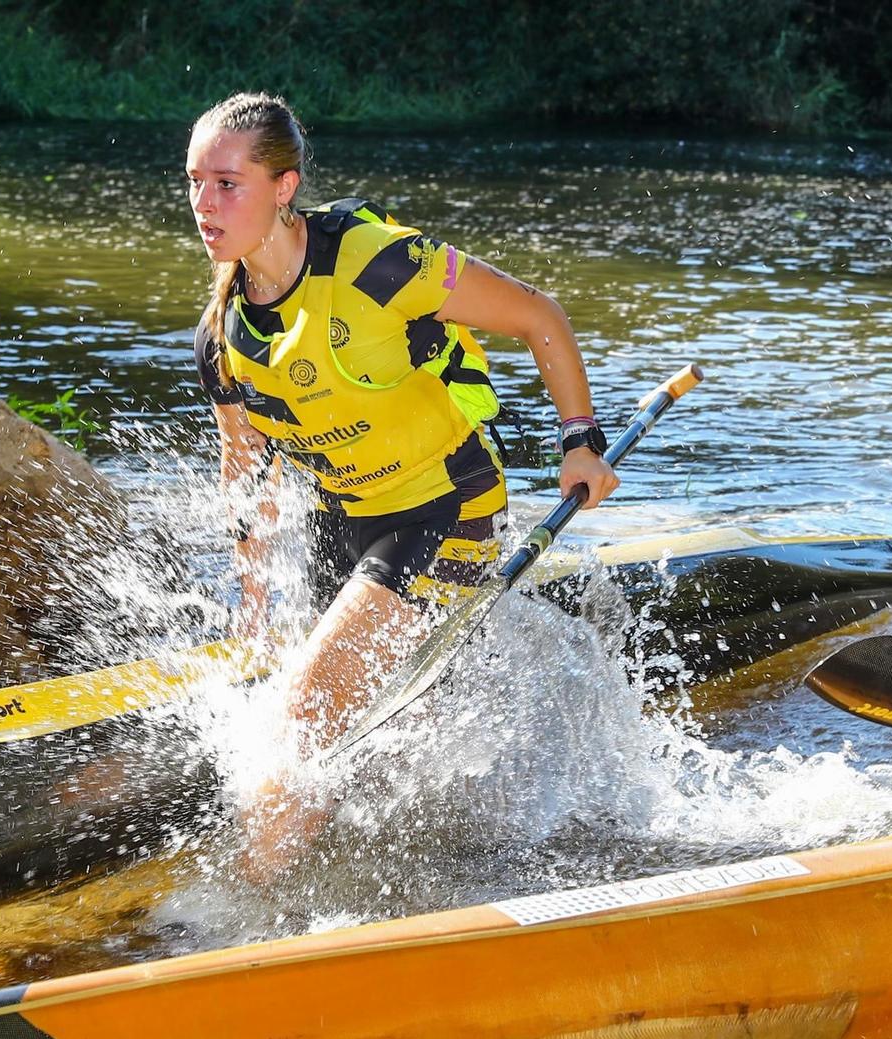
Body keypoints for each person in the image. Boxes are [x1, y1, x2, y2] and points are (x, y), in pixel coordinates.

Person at [185, 91, 619, 878]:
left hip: (444, 507)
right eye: (193, 183)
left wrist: (580, 443)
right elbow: (244, 479)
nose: (203, 205)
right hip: (344, 520)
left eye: (226, 184)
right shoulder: (223, 336)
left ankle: (251, 920)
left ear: (284, 188)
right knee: (322, 722)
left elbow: (538, 315)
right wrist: (249, 614)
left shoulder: (375, 260)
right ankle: (313, 864)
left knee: (298, 720)